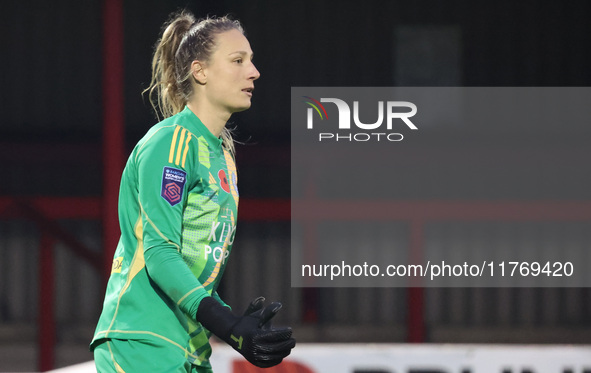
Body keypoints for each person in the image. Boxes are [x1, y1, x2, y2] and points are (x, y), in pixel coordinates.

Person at [90, 10, 295, 372]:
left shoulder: (222, 159)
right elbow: (160, 253)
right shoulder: (172, 142)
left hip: (190, 348)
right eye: (238, 60)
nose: (254, 71)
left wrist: (234, 328)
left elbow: (195, 268)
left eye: (251, 60)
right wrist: (227, 324)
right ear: (200, 71)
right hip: (143, 341)